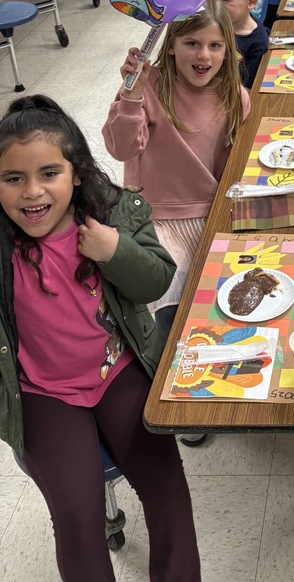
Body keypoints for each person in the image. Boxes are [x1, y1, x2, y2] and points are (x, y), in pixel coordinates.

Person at [0, 95, 201, 581]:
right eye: (13, 179)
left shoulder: (111, 215)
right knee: (75, 513)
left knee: (168, 492)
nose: (32, 193)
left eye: (49, 173)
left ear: (76, 174)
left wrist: (116, 251)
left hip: (118, 370)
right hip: (42, 392)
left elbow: (155, 280)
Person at [102, 0, 250, 338]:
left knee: (229, 299)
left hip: (211, 212)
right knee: (163, 304)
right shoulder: (148, 86)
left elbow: (232, 170)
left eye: (215, 46)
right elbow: (120, 148)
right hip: (156, 217)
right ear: (170, 47)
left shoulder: (235, 96)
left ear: (228, 51)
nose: (204, 56)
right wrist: (131, 96)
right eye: (192, 44)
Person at [212, 0, 268, 89]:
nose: (214, 6)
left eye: (224, 1)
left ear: (251, 2)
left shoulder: (259, 42)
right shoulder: (210, 26)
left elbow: (249, 89)